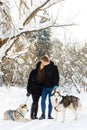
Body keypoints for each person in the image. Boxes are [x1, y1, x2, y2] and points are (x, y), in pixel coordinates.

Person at [39, 55, 59, 119]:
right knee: (42, 101)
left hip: (52, 88)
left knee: (51, 102)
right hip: (44, 87)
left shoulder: (54, 67)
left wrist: (56, 85)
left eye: (42, 61)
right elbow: (39, 77)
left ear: (46, 61)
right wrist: (41, 70)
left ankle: (49, 115)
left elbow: (57, 77)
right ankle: (43, 114)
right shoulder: (42, 67)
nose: (41, 63)